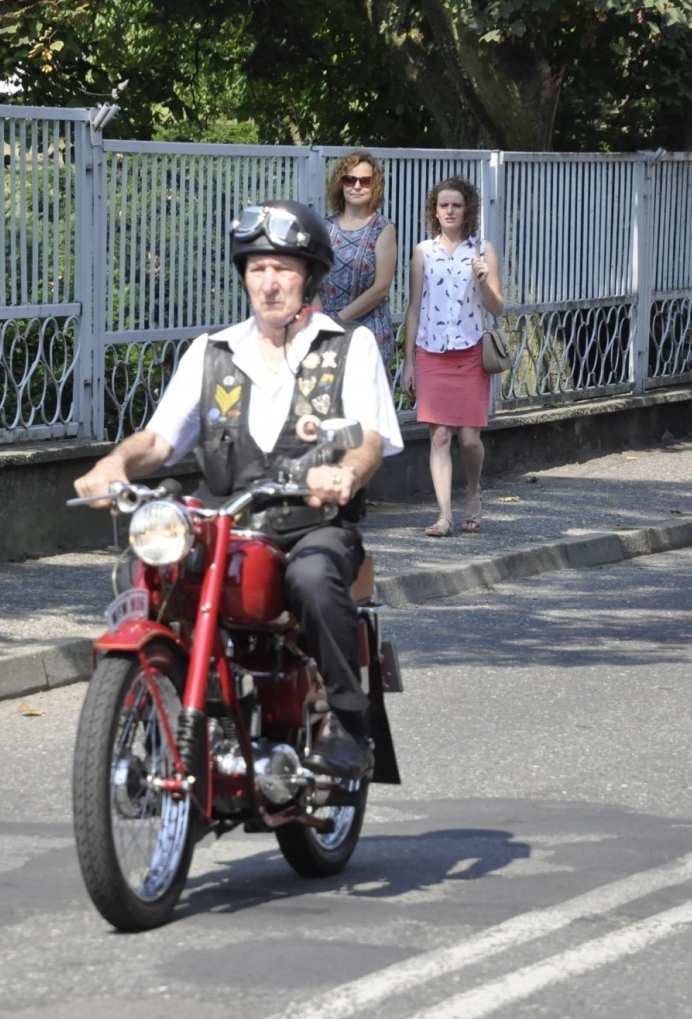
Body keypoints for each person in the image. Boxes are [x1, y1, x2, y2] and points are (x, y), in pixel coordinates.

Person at [73, 201, 405, 780]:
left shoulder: (348, 347)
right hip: (224, 523)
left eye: (283, 269)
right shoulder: (213, 352)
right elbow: (159, 439)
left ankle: (350, 726)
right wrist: (114, 464)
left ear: (309, 276)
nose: (269, 283)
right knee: (143, 569)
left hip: (311, 525)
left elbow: (370, 438)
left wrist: (346, 474)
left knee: (313, 579)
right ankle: (170, 700)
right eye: (257, 268)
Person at [400, 176, 504, 537]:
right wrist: (409, 361)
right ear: (434, 210)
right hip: (431, 353)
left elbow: (497, 308)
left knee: (470, 440)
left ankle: (473, 493)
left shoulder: (483, 250)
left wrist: (483, 280)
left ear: (467, 209)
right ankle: (444, 514)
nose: (449, 211)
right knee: (440, 437)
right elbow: (414, 308)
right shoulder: (422, 251)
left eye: (456, 205)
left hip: (471, 352)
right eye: (443, 205)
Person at [321, 152, 398, 368]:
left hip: (368, 334)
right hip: (326, 334)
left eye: (365, 181)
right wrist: (322, 325)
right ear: (341, 184)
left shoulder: (383, 229)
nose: (357, 186)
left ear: (375, 186)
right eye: (350, 179)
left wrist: (338, 321)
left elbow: (381, 288)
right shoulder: (325, 227)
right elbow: (312, 279)